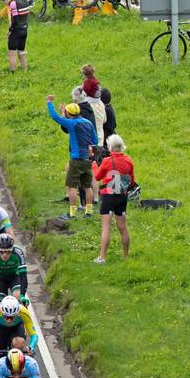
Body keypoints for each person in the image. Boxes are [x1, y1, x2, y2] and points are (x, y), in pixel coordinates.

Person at [46, 96, 97, 219]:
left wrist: (49, 103)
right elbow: (94, 140)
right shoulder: (88, 123)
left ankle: (72, 214)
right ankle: (88, 212)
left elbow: (55, 117)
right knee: (87, 186)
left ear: (69, 114)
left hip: (76, 159)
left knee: (72, 187)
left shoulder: (71, 123)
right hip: (88, 159)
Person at [92, 134, 134, 263]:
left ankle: (102, 257)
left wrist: (94, 165)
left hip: (108, 196)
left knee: (106, 227)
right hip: (122, 196)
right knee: (122, 227)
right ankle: (126, 255)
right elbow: (132, 181)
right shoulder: (128, 160)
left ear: (110, 147)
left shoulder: (107, 161)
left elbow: (98, 177)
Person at [6, 0, 33, 71]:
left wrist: (10, 30)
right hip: (25, 29)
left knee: (12, 52)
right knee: (21, 51)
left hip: (16, 30)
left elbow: (15, 20)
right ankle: (25, 70)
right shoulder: (24, 1)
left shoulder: (13, 3)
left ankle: (13, 71)